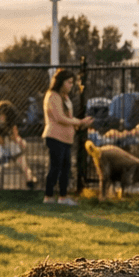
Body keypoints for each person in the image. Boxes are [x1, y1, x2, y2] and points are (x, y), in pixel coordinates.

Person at [42, 70, 95, 205]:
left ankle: (63, 197)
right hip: (55, 137)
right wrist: (79, 122)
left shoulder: (65, 97)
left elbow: (69, 119)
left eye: (72, 82)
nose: (71, 85)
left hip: (66, 139)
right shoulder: (52, 96)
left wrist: (82, 124)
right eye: (69, 82)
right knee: (55, 167)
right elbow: (59, 118)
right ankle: (48, 197)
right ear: (60, 82)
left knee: (66, 169)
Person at [0, 100, 35, 190]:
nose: (3, 117)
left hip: (4, 140)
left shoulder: (10, 120)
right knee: (0, 160)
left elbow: (14, 134)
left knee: (17, 153)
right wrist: (4, 145)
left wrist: (19, 141)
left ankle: (29, 178)